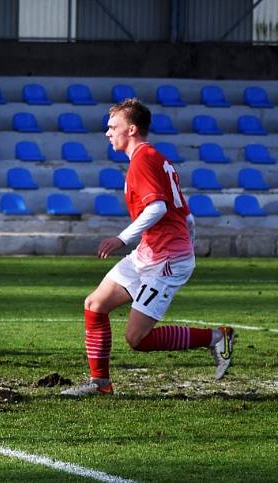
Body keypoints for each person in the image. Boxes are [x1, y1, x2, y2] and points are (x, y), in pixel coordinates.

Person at [61, 99, 235, 397]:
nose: (107, 133)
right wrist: (184, 243)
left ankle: (216, 337)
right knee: (94, 305)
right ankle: (101, 384)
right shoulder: (156, 158)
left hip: (165, 261)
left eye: (112, 127)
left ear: (131, 129)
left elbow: (156, 208)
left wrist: (122, 238)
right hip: (151, 253)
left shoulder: (143, 159)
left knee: (137, 339)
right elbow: (186, 215)